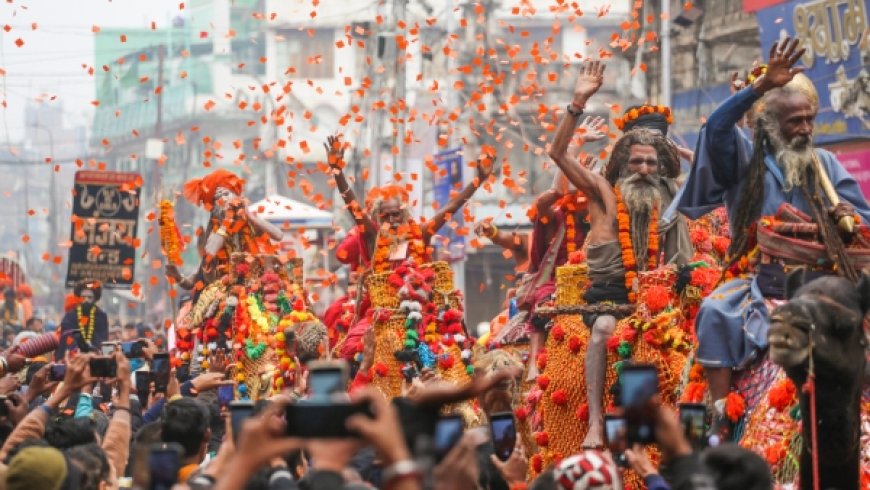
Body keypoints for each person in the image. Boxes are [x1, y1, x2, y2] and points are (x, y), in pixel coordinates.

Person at [676, 37, 870, 434]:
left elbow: (865, 223)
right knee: (715, 312)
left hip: (827, 283)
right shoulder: (743, 159)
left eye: (809, 120)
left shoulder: (828, 164)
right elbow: (716, 128)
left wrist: (848, 216)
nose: (805, 130)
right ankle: (719, 419)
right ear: (768, 124)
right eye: (794, 122)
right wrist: (758, 89)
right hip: (760, 282)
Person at [548, 61, 692, 448]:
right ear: (622, 165)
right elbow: (558, 153)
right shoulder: (601, 192)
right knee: (604, 330)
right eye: (636, 161)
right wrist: (578, 101)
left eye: (651, 162)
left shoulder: (672, 200)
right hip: (610, 298)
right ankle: (595, 422)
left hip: (662, 302)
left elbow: (717, 185)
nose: (644, 169)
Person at [166, 169, 284, 295]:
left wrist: (251, 216)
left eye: (227, 193)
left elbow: (278, 235)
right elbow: (207, 259)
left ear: (236, 197)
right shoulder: (216, 232)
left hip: (261, 289)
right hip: (227, 295)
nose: (224, 199)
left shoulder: (251, 223)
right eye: (219, 196)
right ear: (214, 206)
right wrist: (178, 277)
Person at [56, 280, 109, 358]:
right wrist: (77, 350)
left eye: (89, 297)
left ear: (95, 298)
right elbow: (67, 334)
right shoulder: (71, 315)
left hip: (95, 356)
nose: (86, 300)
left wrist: (92, 349)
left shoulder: (101, 316)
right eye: (83, 297)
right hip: (73, 356)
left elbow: (102, 338)